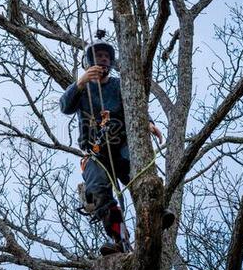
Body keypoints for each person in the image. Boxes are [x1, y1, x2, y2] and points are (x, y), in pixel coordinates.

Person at [60, 36, 173, 255]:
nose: (102, 60)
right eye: (98, 56)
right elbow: (65, 107)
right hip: (96, 152)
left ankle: (156, 215)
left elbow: (136, 105)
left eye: (106, 57)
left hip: (122, 146)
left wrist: (149, 123)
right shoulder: (81, 88)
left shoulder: (120, 86)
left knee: (139, 174)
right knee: (97, 189)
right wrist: (81, 82)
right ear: (89, 61)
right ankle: (119, 239)